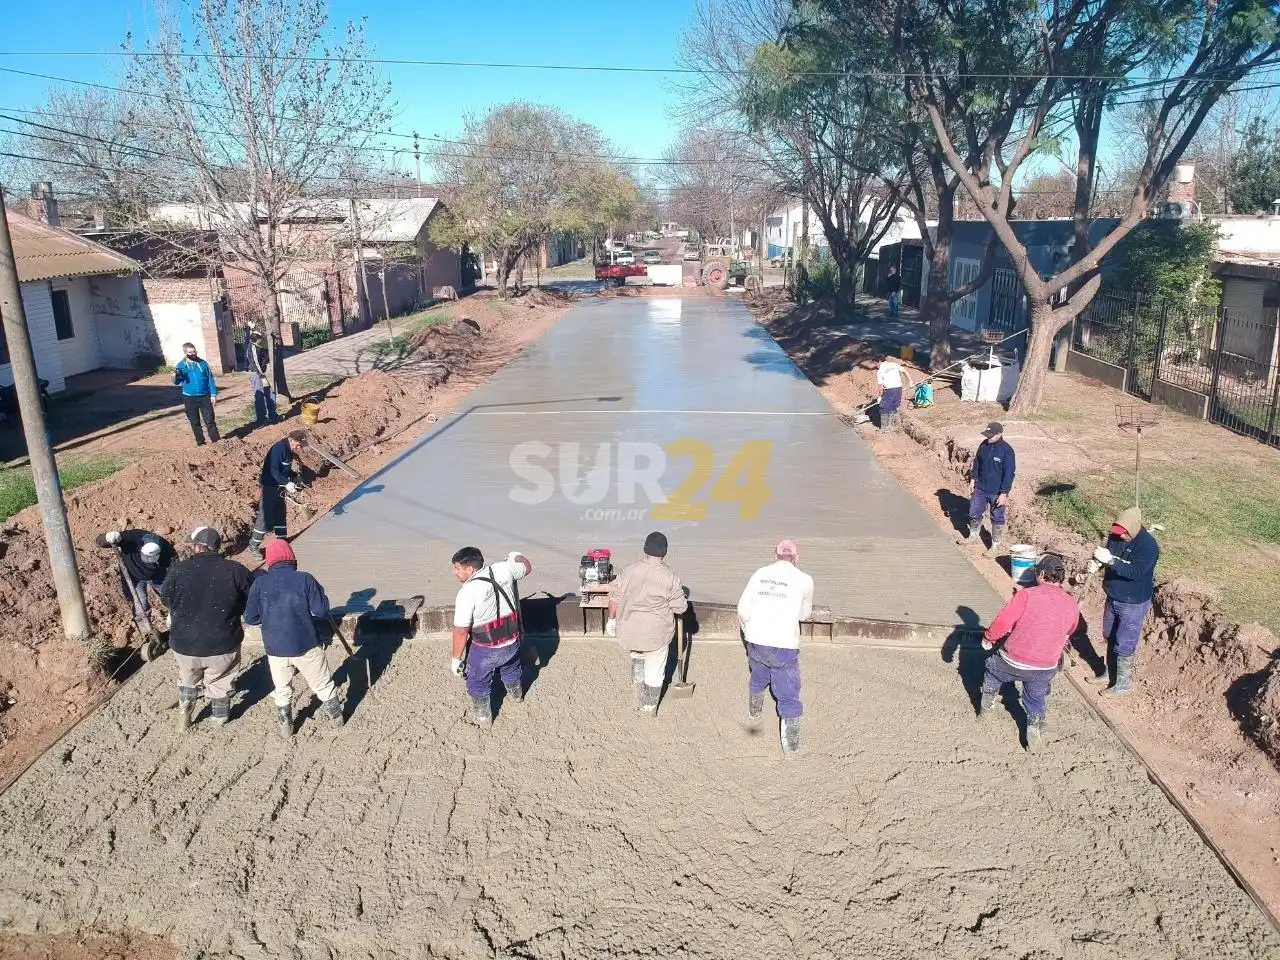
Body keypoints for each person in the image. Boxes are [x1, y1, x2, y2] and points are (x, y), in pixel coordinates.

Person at [978, 554, 1080, 751]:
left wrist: (989, 638)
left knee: (992, 670)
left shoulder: (1027, 595)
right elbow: (1070, 629)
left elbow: (1003, 622)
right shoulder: (1071, 603)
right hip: (1045, 666)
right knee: (1036, 696)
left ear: (1042, 574)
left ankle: (986, 707)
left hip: (1014, 660)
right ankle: (1034, 729)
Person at [244, 538, 343, 738]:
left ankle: (286, 729)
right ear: (291, 557)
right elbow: (321, 611)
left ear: (270, 561)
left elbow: (251, 618)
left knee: (282, 690)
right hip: (305, 644)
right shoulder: (305, 579)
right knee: (323, 684)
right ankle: (337, 721)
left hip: (275, 648)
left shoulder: (260, 583)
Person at [159, 526, 253, 730]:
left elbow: (165, 598)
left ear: (198, 547)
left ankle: (185, 711)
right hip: (222, 642)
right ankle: (219, 718)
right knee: (220, 681)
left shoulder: (178, 570)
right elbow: (251, 599)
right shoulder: (236, 570)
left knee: (188, 677)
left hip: (184, 644)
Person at [737, 539, 815, 756]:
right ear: (796, 558)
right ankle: (790, 745)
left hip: (756, 640)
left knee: (759, 674)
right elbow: (804, 614)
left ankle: (755, 711)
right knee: (788, 689)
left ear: (775, 556)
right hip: (784, 644)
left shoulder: (759, 573)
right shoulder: (805, 580)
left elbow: (743, 608)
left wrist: (748, 631)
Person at [606, 532, 688, 716]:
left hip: (629, 631)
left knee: (637, 654)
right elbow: (680, 608)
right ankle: (649, 707)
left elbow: (614, 598)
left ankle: (636, 689)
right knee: (655, 669)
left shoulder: (629, 570)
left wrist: (611, 621)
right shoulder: (670, 577)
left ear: (645, 549)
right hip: (655, 636)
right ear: (665, 552)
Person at [450, 546, 533, 728]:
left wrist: (456, 659)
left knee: (477, 682)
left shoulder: (467, 592)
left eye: (457, 568)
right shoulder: (505, 569)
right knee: (511, 667)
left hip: (486, 648)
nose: (454, 573)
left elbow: (461, 631)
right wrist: (515, 555)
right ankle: (516, 696)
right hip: (512, 640)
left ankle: (483, 719)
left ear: (470, 569)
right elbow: (527, 567)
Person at [1092, 506, 1160, 696]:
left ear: (1133, 529)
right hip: (1113, 596)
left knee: (1124, 641)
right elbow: (1107, 554)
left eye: (1123, 534)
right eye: (1117, 533)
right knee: (1109, 635)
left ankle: (1122, 683)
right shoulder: (1115, 537)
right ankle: (1110, 673)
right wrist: (1097, 563)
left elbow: (1135, 572)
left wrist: (1111, 561)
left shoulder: (1148, 547)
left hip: (1132, 601)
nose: (1119, 537)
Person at [94, 528, 176, 638]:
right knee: (139, 602)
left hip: (158, 576)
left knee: (172, 598)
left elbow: (175, 577)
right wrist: (106, 538)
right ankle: (147, 634)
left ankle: (177, 627)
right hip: (133, 574)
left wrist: (174, 609)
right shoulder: (132, 538)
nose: (148, 560)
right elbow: (99, 542)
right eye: (146, 558)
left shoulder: (167, 551)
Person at [248, 430, 307, 560]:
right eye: (299, 444)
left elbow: (284, 469)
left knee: (280, 513)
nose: (300, 447)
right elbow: (273, 470)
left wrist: (294, 476)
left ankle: (282, 541)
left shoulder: (289, 451)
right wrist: (286, 483)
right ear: (291, 440)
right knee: (265, 517)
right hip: (270, 486)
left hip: (279, 487)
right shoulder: (278, 449)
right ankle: (253, 545)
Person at [966, 421, 1016, 557]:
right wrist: (973, 478)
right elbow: (977, 463)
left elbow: (1009, 473)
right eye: (987, 434)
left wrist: (1004, 493)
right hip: (980, 487)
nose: (988, 437)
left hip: (996, 491)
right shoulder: (983, 445)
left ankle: (995, 546)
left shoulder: (1007, 451)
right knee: (974, 511)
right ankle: (974, 535)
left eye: (991, 435)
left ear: (999, 434)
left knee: (997, 517)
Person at [173, 342, 220, 447]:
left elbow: (210, 379)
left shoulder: (203, 363)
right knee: (195, 422)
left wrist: (213, 394)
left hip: (204, 396)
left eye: (195, 351)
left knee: (210, 420)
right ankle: (201, 443)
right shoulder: (181, 365)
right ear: (185, 353)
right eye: (191, 352)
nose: (193, 354)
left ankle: (217, 443)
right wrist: (176, 376)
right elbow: (176, 382)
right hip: (189, 398)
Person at [876, 352, 914, 431]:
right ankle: (892, 425)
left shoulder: (880, 371)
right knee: (894, 406)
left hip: (889, 390)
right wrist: (910, 381)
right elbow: (904, 371)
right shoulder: (893, 364)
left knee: (884, 407)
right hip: (898, 389)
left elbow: (880, 387)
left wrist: (880, 397)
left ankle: (885, 428)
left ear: (879, 361)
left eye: (875, 363)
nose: (876, 365)